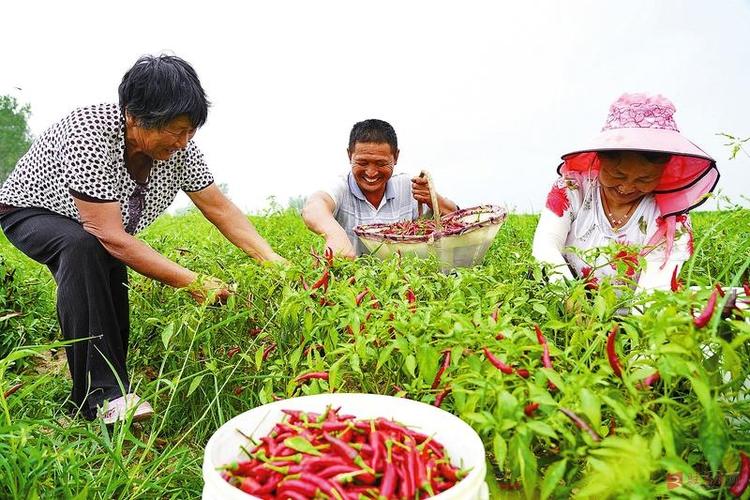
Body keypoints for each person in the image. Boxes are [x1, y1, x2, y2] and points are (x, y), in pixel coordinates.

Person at [0, 54, 285, 424]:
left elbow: (221, 209)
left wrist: (273, 261)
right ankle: (103, 398)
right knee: (84, 247)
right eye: (175, 131)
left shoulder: (179, 152)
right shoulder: (89, 132)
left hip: (99, 227)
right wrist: (194, 283)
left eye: (191, 132)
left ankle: (102, 396)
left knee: (110, 284)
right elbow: (109, 235)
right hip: (30, 210)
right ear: (133, 117)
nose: (183, 143)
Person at [532, 93, 719, 291]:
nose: (627, 187)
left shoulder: (670, 219)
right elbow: (546, 245)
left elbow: (652, 294)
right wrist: (570, 297)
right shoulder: (572, 190)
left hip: (633, 313)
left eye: (644, 179)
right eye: (617, 175)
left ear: (662, 172)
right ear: (600, 160)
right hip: (567, 300)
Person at [302, 119, 458, 257]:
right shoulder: (341, 187)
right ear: (350, 155)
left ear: (395, 157)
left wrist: (433, 199)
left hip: (402, 280)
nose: (371, 173)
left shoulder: (408, 187)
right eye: (362, 163)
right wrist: (334, 234)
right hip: (352, 281)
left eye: (381, 164)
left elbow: (456, 219)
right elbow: (314, 207)